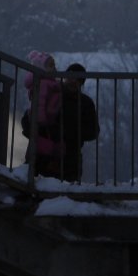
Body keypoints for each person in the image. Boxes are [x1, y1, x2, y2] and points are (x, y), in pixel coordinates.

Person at [22, 50, 64, 178]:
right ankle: (40, 172)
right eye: (50, 65)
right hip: (46, 120)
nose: (54, 67)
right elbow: (39, 103)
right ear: (42, 68)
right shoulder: (44, 84)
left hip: (48, 119)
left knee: (44, 145)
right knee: (47, 145)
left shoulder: (47, 82)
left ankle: (40, 169)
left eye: (54, 64)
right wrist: (41, 120)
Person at [57, 63, 99, 182]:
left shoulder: (86, 103)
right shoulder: (51, 95)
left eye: (78, 79)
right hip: (46, 153)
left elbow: (94, 131)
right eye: (71, 77)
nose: (73, 81)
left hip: (71, 156)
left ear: (82, 82)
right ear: (65, 77)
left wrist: (73, 132)